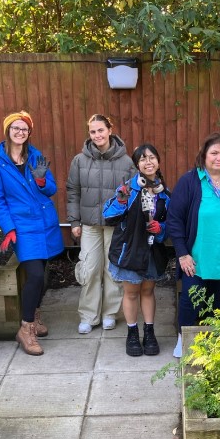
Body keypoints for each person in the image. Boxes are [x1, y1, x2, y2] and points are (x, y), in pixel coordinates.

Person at [0, 111, 64, 356]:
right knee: (35, 275)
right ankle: (25, 328)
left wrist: (41, 181)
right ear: (7, 130)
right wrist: (8, 228)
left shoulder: (35, 155)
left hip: (44, 221)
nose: (20, 132)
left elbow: (51, 188)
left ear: (29, 133)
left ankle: (35, 313)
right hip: (22, 225)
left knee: (44, 272)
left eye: (24, 129)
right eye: (15, 128)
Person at [166, 132, 220, 357]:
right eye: (214, 153)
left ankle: (215, 341)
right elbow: (174, 220)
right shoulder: (189, 181)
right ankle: (184, 339)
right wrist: (182, 253)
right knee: (192, 298)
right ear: (204, 155)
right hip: (197, 256)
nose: (218, 158)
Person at [67, 114, 136, 334]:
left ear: (109, 130)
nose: (97, 135)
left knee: (112, 268)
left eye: (100, 130)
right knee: (89, 268)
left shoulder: (126, 161)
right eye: (92, 131)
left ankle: (109, 314)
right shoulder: (80, 160)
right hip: (89, 225)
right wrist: (74, 221)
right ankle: (89, 315)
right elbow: (72, 191)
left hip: (115, 225)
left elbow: (133, 192)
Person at [103, 144, 171, 357]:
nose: (148, 162)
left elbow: (172, 223)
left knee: (148, 291)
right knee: (131, 292)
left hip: (151, 250)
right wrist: (121, 200)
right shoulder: (128, 189)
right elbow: (109, 215)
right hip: (130, 250)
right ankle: (132, 333)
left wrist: (161, 229)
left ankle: (149, 332)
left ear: (158, 162)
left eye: (152, 157)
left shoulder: (165, 194)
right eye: (143, 159)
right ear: (137, 165)